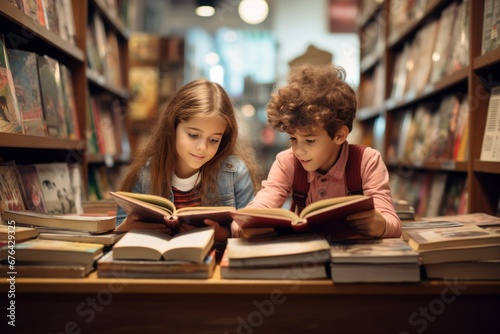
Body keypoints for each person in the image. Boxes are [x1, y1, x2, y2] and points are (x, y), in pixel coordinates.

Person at [232, 64, 401, 239]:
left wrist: (381, 225)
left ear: (339, 135)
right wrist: (244, 226)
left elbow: (393, 223)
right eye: (293, 138)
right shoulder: (287, 161)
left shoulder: (367, 161)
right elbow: (258, 208)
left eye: (310, 141)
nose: (298, 150)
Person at [116, 78, 263, 249]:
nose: (202, 148)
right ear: (173, 127)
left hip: (213, 271)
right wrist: (126, 229)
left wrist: (221, 234)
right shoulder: (146, 173)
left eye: (214, 139)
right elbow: (118, 229)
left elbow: (250, 234)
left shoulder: (236, 173)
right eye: (193, 135)